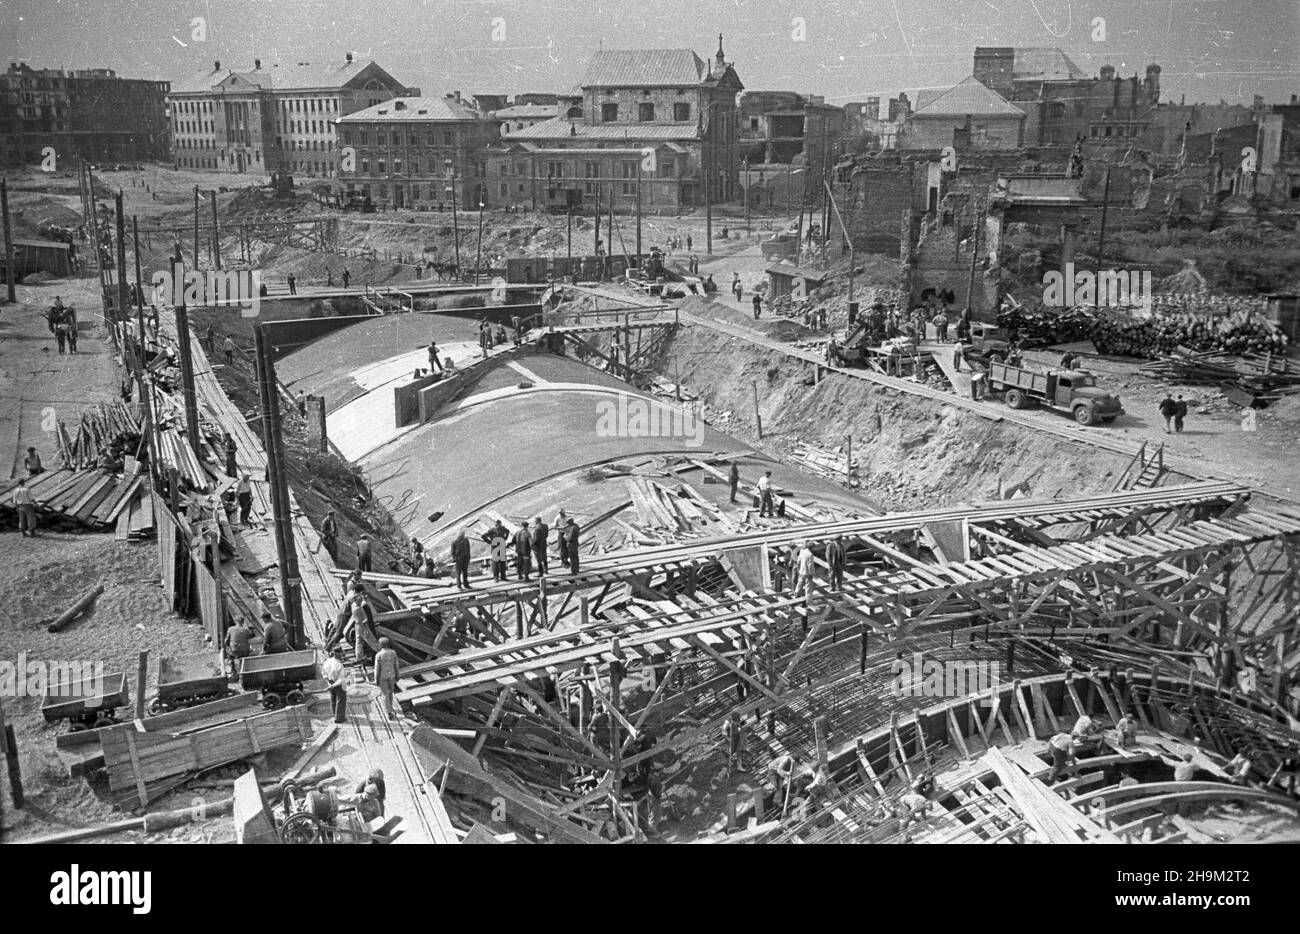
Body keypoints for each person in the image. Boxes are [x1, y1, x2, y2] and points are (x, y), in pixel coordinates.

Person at [373, 637, 400, 718]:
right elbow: (396, 665)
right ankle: (391, 707)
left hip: (382, 677)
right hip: (392, 675)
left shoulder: (379, 655)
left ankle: (388, 712)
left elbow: (377, 669)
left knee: (385, 694)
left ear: (380, 645)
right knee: (391, 692)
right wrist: (397, 675)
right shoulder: (393, 653)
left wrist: (376, 680)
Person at [323, 647, 348, 723]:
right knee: (341, 700)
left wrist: (328, 683)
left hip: (330, 682)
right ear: (338, 654)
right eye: (341, 653)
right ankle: (339, 719)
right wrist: (333, 685)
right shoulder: (339, 665)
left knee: (333, 698)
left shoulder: (328, 661)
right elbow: (341, 679)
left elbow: (323, 673)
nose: (342, 654)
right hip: (338, 685)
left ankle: (334, 715)